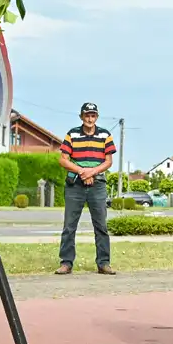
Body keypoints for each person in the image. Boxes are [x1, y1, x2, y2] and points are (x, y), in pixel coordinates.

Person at [56, 102, 117, 275]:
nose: (90, 118)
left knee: (101, 226)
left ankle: (103, 263)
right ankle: (66, 263)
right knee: (69, 225)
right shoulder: (72, 134)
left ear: (96, 117)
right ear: (81, 117)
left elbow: (108, 161)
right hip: (75, 184)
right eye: (87, 115)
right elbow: (63, 159)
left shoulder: (105, 135)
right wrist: (82, 172)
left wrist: (92, 172)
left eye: (93, 115)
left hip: (97, 185)